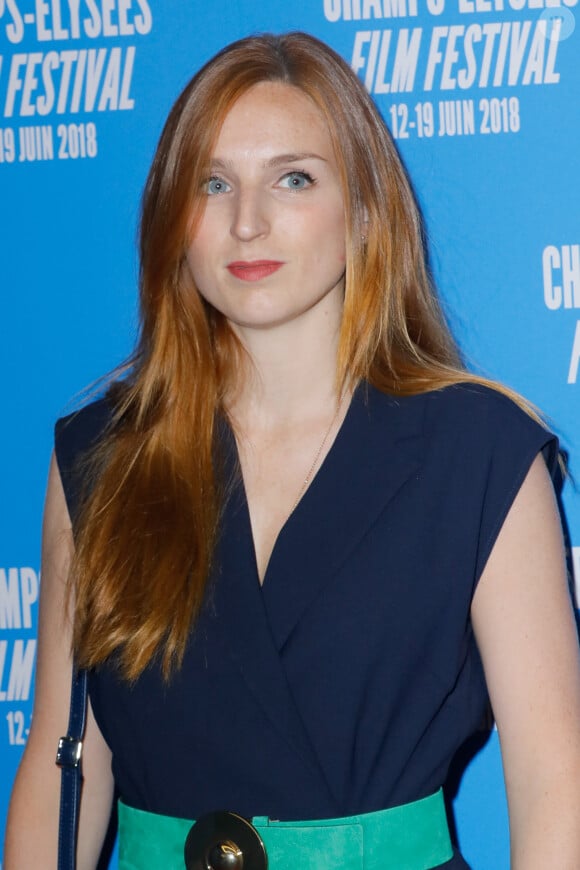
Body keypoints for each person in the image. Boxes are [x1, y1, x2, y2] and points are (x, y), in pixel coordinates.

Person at [5, 31, 580, 870]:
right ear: (175, 220)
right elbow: (69, 766)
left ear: (364, 209)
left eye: (294, 178)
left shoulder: (481, 456)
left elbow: (555, 783)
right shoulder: (102, 459)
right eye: (213, 182)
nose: (247, 221)